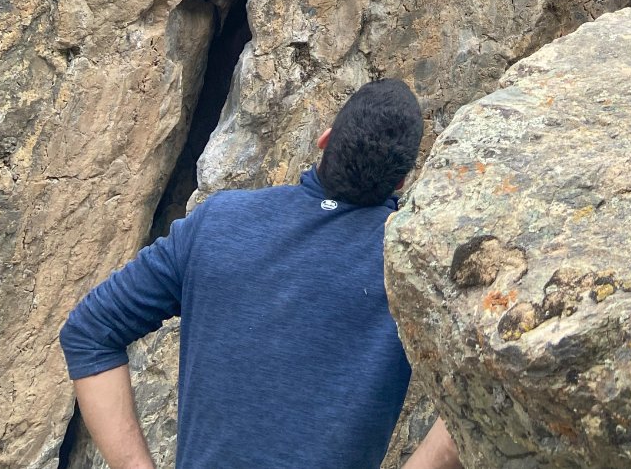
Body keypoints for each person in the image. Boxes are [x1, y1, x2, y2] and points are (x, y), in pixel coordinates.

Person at [59, 79, 461, 469]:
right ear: (402, 180)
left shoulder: (218, 223)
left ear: (325, 140)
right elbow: (497, 388)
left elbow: (89, 330)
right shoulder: (416, 266)